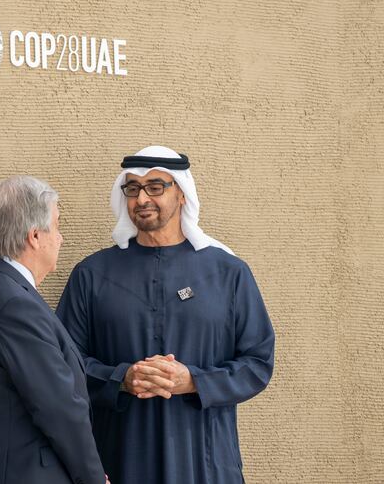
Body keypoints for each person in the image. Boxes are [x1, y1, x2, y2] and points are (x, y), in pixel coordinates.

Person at [56, 146, 275, 484]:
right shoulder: (92, 274)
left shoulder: (228, 273)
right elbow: (63, 365)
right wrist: (122, 378)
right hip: (121, 459)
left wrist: (194, 381)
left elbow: (258, 362)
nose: (142, 198)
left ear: (182, 194)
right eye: (132, 188)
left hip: (206, 461)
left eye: (155, 187)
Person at [0, 175, 108, 484]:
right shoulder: (14, 304)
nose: (60, 239)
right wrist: (93, 477)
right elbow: (58, 408)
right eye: (57, 226)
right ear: (34, 236)